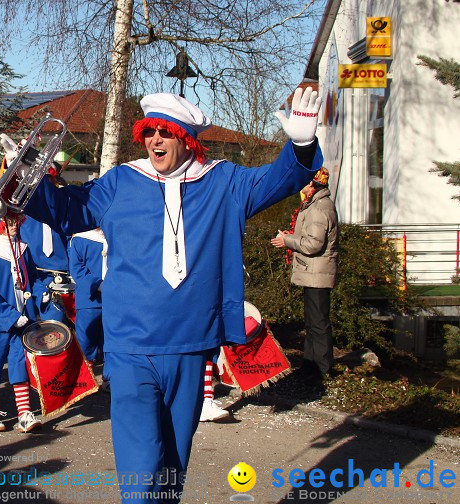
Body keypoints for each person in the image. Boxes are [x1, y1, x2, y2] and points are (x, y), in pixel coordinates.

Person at [21, 88, 323, 502]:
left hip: (192, 343)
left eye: (165, 132)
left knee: (174, 460)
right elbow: (67, 210)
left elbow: (279, 180)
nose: (155, 141)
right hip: (130, 344)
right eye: (149, 132)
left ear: (187, 138)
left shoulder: (224, 181)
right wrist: (26, 173)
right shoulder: (122, 181)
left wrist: (302, 145)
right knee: (141, 460)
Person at [0, 211, 47, 433]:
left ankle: (24, 413)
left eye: (17, 220)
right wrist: (11, 316)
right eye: (9, 221)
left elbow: (32, 279)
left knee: (19, 364)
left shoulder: (23, 249)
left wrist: (41, 291)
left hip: (23, 318)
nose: (14, 225)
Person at [271, 166, 339, 383]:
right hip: (314, 272)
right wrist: (291, 235)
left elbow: (313, 245)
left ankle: (322, 367)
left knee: (318, 322)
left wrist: (288, 241)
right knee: (312, 321)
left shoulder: (320, 208)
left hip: (317, 272)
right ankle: (311, 365)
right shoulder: (316, 205)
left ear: (312, 185)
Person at [67, 228, 106, 376]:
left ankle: (108, 378)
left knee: (109, 341)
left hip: (113, 298)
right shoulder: (79, 239)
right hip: (89, 299)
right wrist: (97, 284)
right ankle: (85, 378)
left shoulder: (113, 234)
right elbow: (77, 269)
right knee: (86, 341)